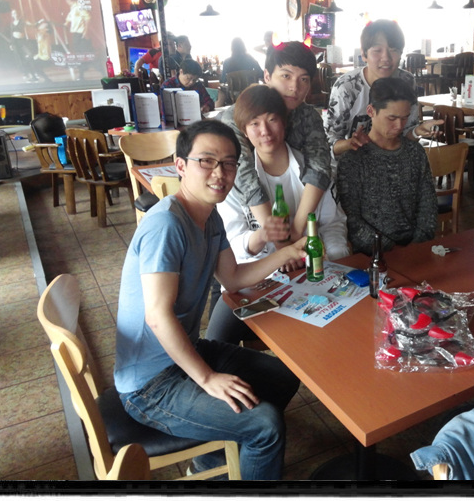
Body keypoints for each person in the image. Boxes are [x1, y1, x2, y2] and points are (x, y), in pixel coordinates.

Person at [114, 120, 303, 480]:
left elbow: (232, 278)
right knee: (265, 425)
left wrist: (287, 252)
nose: (220, 173)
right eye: (207, 161)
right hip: (149, 385)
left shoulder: (209, 216)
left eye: (229, 163)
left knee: (283, 377)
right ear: (181, 165)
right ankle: (240, 454)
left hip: (185, 350)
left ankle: (215, 458)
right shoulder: (167, 225)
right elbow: (157, 316)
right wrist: (207, 378)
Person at [208, 85, 350, 344]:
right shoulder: (235, 179)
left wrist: (332, 260)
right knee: (217, 340)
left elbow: (333, 223)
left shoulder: (312, 171)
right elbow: (233, 244)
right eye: (254, 124)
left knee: (332, 336)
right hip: (258, 281)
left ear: (284, 123)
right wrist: (263, 237)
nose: (265, 131)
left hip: (313, 274)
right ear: (244, 131)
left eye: (272, 120)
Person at [219, 41, 331, 245]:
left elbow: (319, 168)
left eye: (303, 79)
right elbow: (245, 177)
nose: (294, 87)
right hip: (247, 220)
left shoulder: (307, 116)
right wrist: (279, 241)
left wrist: (296, 230)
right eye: (286, 76)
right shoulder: (237, 117)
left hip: (298, 202)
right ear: (267, 76)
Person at [336, 77, 437, 256]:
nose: (399, 126)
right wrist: (391, 250)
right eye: (392, 118)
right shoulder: (353, 159)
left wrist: (417, 245)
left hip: (416, 249)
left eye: (404, 118)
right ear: (371, 111)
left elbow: (428, 205)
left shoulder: (415, 152)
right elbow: (352, 221)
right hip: (372, 254)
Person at [323, 19, 441, 160]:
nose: (386, 58)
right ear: (364, 54)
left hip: (392, 163)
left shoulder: (406, 81)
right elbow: (328, 143)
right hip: (351, 165)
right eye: (377, 50)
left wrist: (418, 131)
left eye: (393, 50)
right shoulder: (347, 87)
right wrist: (350, 143)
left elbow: (406, 133)